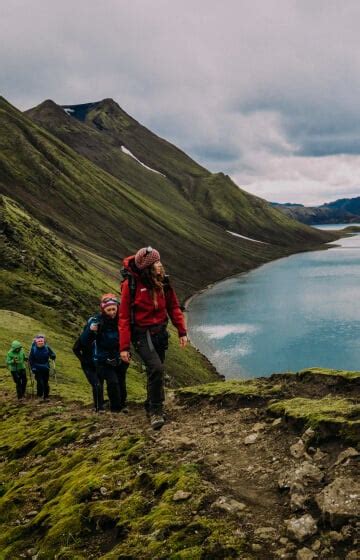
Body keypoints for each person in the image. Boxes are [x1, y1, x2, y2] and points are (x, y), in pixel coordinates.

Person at [119, 246, 187, 430]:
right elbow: (123, 317)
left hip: (160, 333)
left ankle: (150, 403)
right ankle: (156, 411)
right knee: (156, 368)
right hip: (142, 334)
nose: (160, 265)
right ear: (147, 268)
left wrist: (182, 331)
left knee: (154, 371)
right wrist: (124, 347)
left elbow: (173, 307)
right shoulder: (130, 285)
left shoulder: (164, 282)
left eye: (159, 261)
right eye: (156, 263)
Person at [80, 294, 129, 413]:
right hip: (103, 360)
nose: (112, 312)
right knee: (113, 382)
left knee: (121, 382)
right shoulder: (96, 321)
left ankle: (122, 404)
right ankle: (115, 409)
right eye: (109, 310)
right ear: (103, 309)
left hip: (120, 357)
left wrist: (127, 351)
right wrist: (90, 330)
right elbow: (84, 341)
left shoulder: (122, 320)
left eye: (114, 309)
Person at [73, 318, 103, 412]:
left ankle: (99, 406)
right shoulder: (84, 337)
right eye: (93, 325)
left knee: (100, 385)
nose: (95, 327)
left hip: (99, 364)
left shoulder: (101, 336)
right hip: (88, 365)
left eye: (97, 325)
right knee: (96, 384)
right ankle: (98, 407)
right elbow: (75, 348)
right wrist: (83, 360)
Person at [29, 334, 56, 401]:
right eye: (39, 341)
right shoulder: (33, 349)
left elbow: (52, 354)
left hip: (46, 367)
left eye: (42, 341)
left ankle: (46, 396)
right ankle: (40, 395)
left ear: (44, 342)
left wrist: (53, 356)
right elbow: (31, 359)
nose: (40, 343)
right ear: (36, 342)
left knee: (45, 382)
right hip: (37, 368)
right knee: (40, 382)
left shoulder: (47, 347)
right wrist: (33, 368)